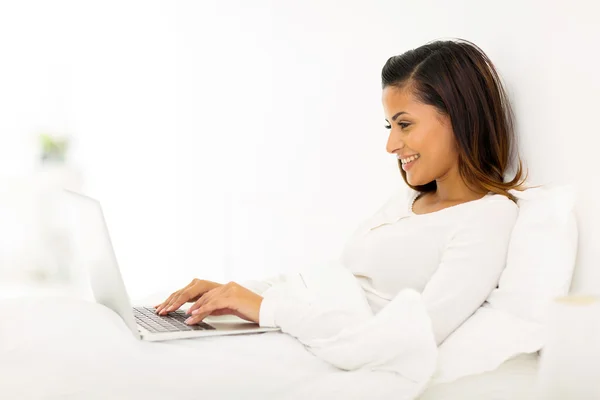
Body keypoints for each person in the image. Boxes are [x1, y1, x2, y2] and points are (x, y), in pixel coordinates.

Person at [154, 38, 527, 347]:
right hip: (298, 326)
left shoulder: (487, 217)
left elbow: (413, 338)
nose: (391, 145)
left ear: (460, 118)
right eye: (389, 126)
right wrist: (234, 293)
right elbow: (339, 283)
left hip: (316, 341)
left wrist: (265, 309)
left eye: (405, 124)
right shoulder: (409, 202)